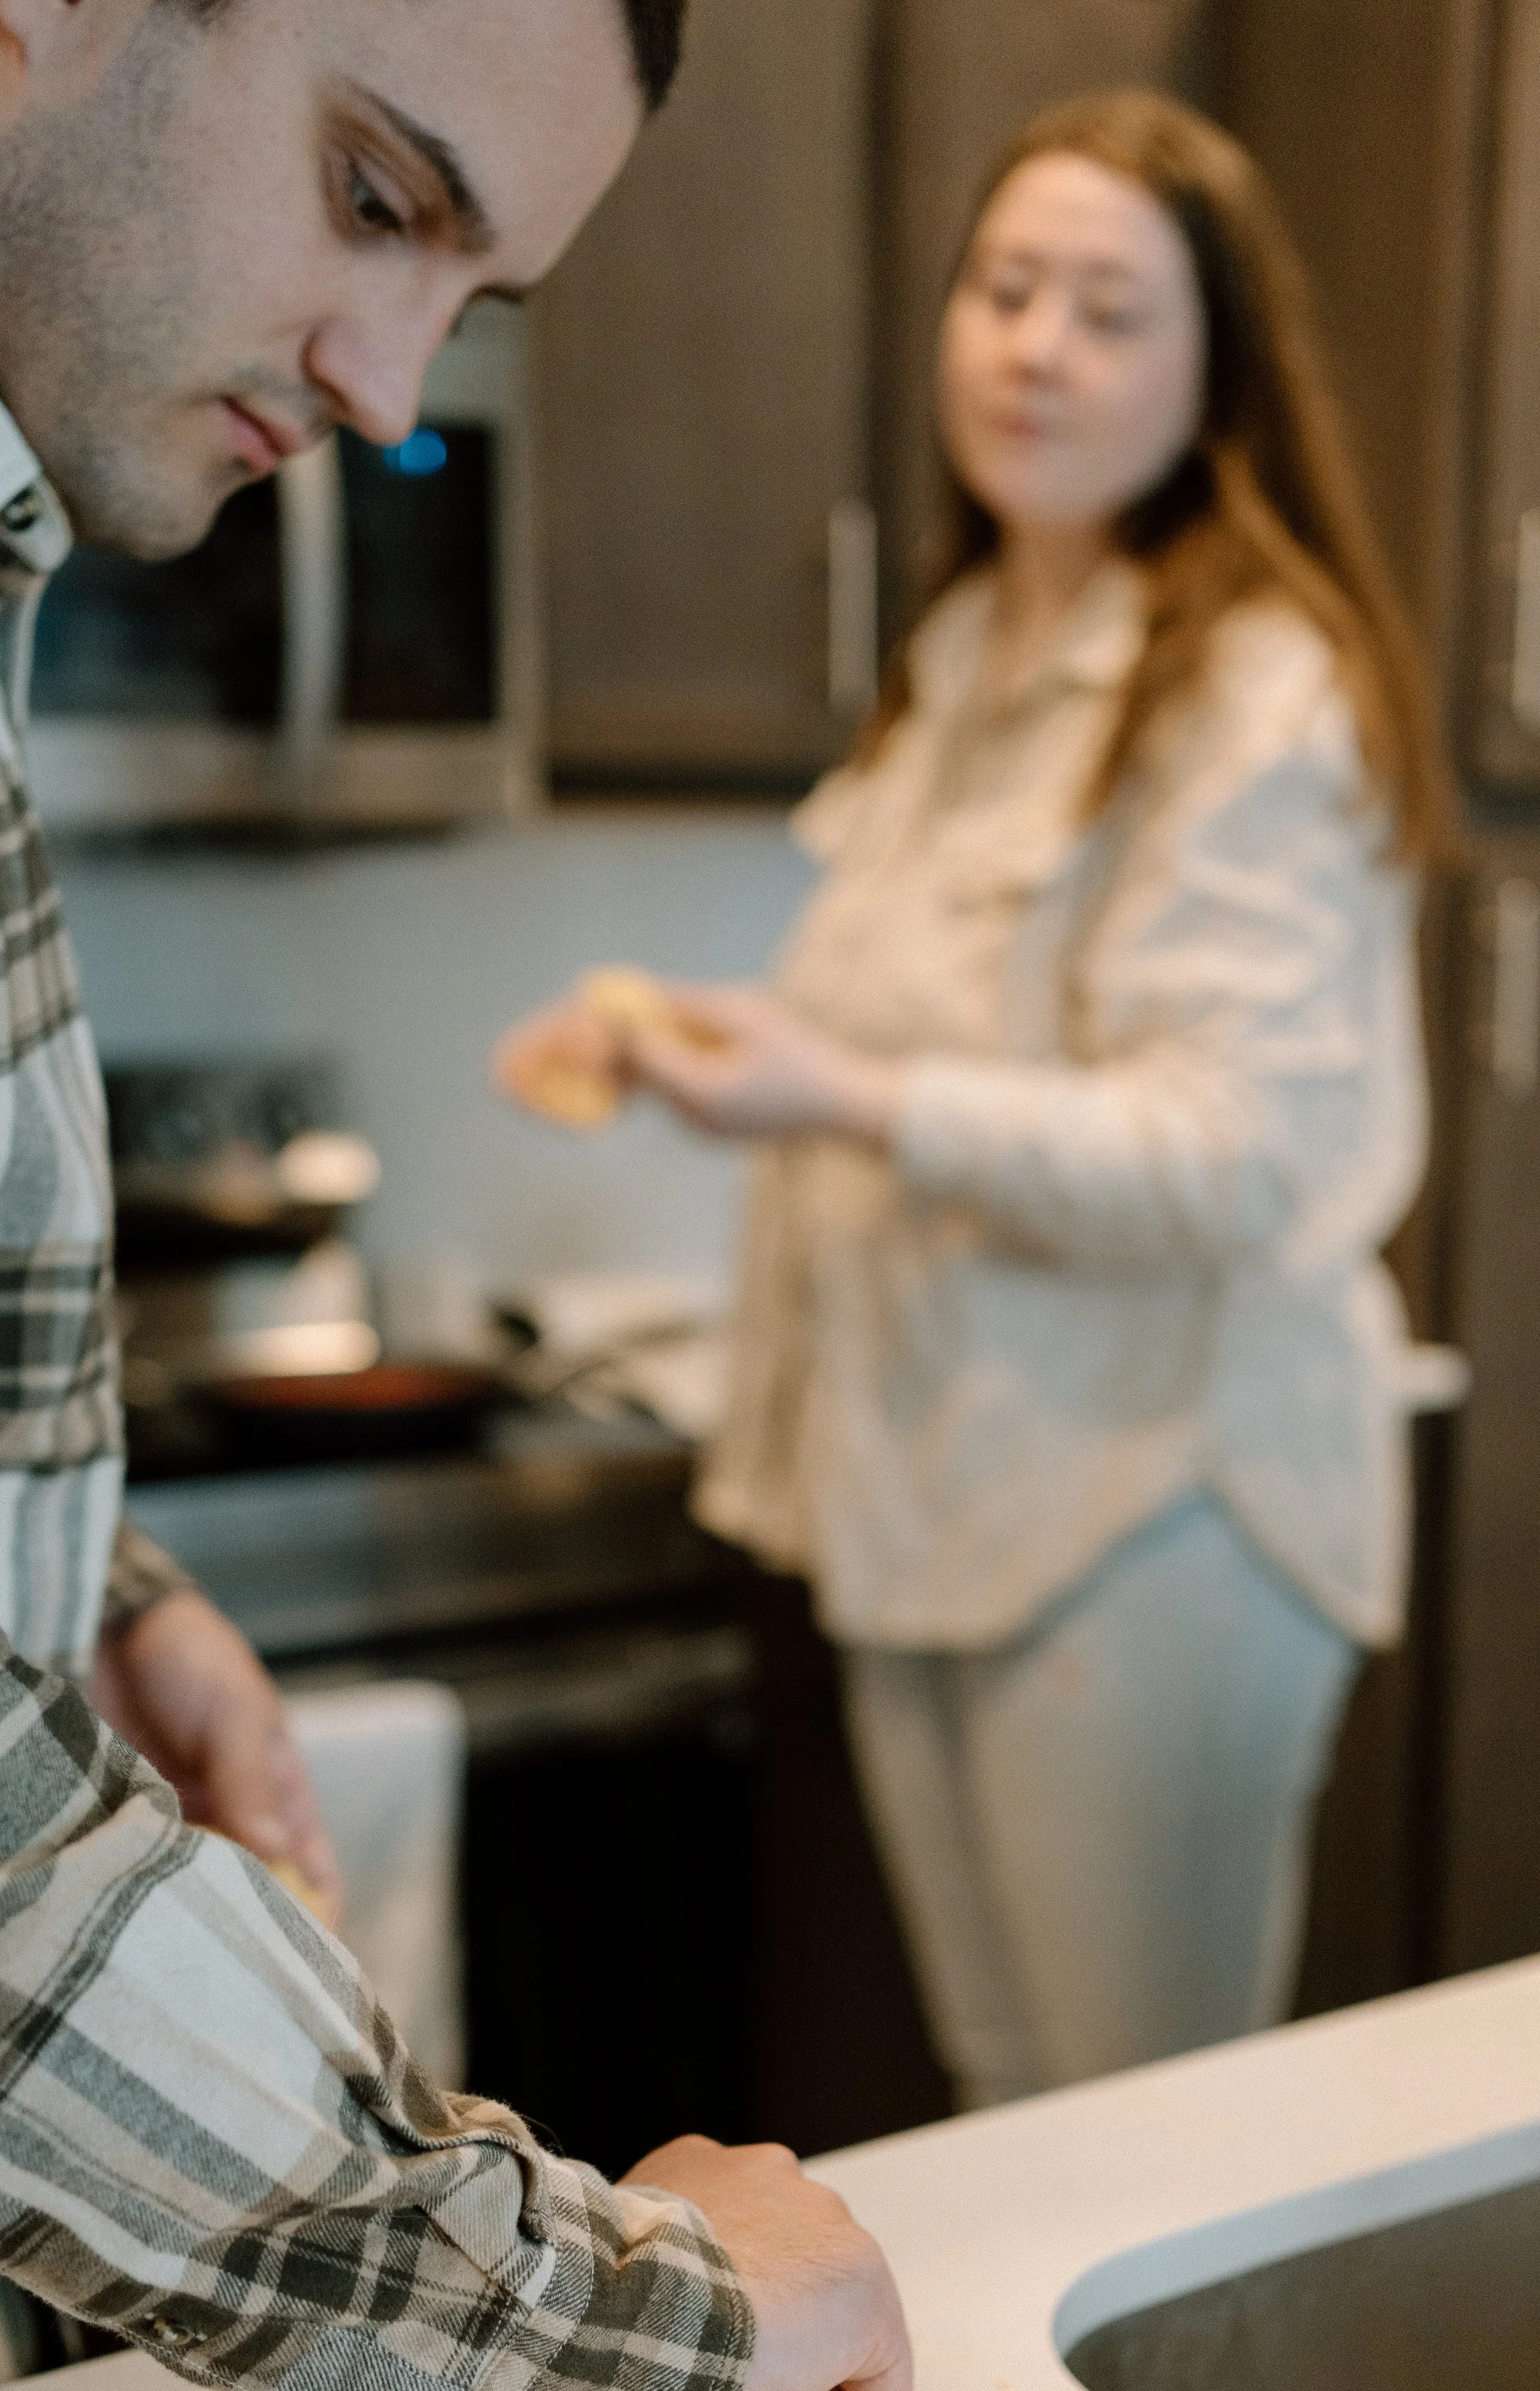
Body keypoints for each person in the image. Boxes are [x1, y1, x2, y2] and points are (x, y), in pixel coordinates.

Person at [0, 0, 911, 2391]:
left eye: (465, 296)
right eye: (373, 196)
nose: (386, 391)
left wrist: (72, 1575)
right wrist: (602, 2320)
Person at [499, 91, 1447, 2113]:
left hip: (1147, 1505)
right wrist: (715, 1050)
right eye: (1004, 289)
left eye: (1108, 308)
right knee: (1012, 2102)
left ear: (1214, 376)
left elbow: (1240, 1148)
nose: (1034, 345)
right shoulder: (959, 652)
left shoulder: (1252, 689)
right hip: (932, 1478)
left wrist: (833, 1089)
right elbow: (939, 1038)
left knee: (1140, 2138)